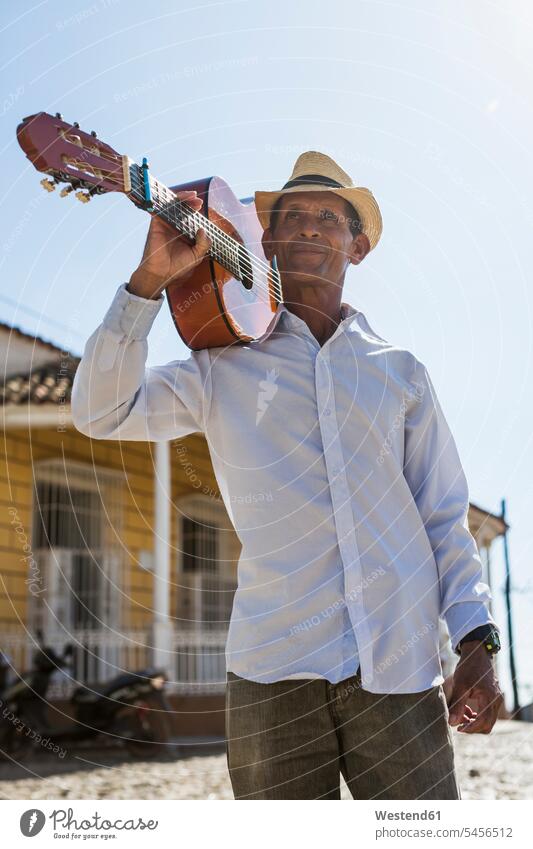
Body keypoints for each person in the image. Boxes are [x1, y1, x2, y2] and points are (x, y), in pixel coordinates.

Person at [71, 150, 504, 800]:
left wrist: (477, 639)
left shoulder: (402, 371)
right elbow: (101, 411)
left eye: (326, 217)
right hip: (272, 676)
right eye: (290, 216)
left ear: (356, 247)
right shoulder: (221, 364)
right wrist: (147, 283)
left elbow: (442, 516)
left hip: (401, 668)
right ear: (262, 240)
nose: (306, 227)